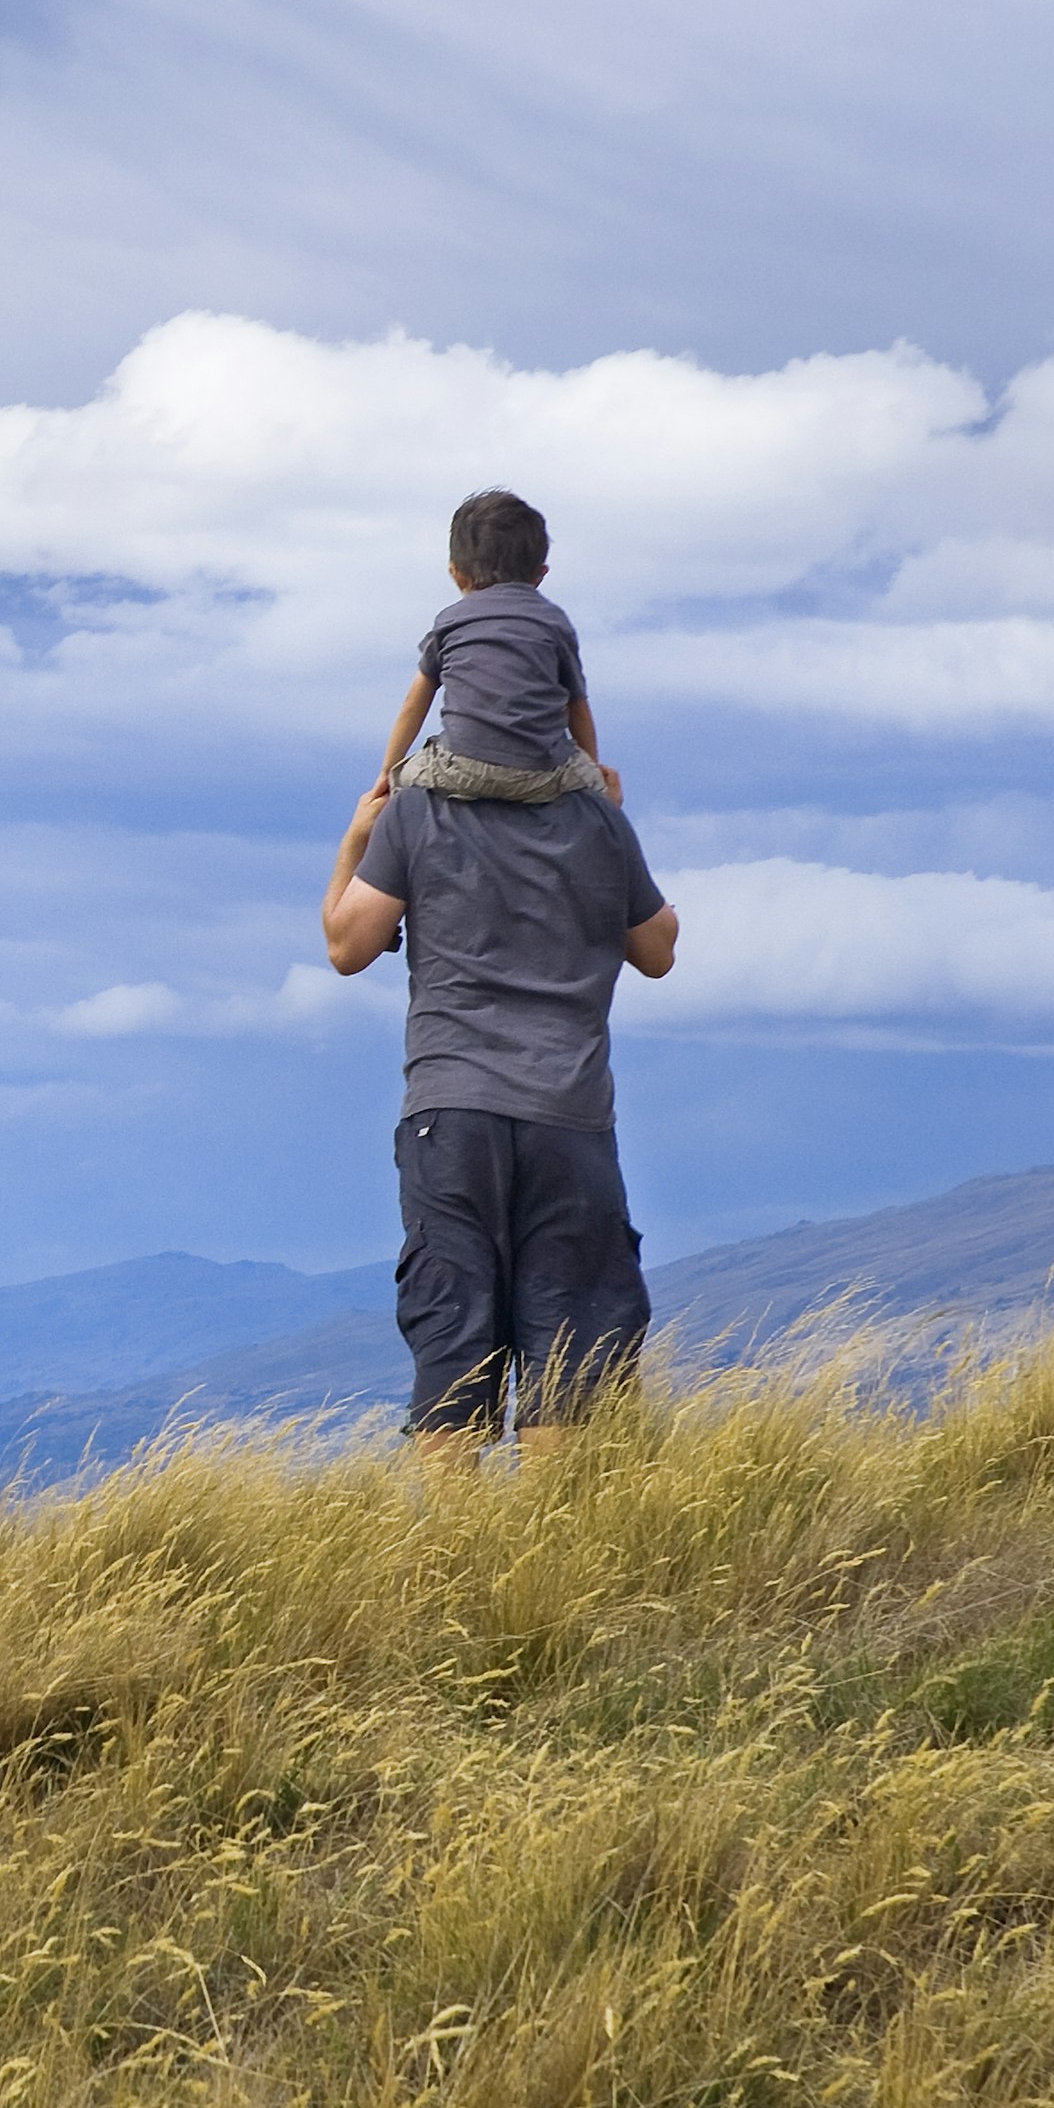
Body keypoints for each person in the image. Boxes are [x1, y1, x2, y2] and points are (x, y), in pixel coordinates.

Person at [323, 488, 679, 1462]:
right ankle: (550, 1580)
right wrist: (608, 807)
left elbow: (348, 945)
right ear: (545, 576)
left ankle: (461, 1588)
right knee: (570, 1350)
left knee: (454, 1350)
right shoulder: (595, 819)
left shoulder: (418, 811)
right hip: (567, 1115)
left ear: (454, 577)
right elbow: (658, 950)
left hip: (449, 1111)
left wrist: (360, 832)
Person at [377, 489, 615, 806]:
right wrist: (593, 775)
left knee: (402, 787)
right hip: (540, 775)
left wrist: (388, 772)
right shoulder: (554, 623)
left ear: (454, 572)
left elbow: (415, 702)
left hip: (460, 768)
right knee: (602, 791)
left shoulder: (450, 621)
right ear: (540, 574)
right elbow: (577, 706)